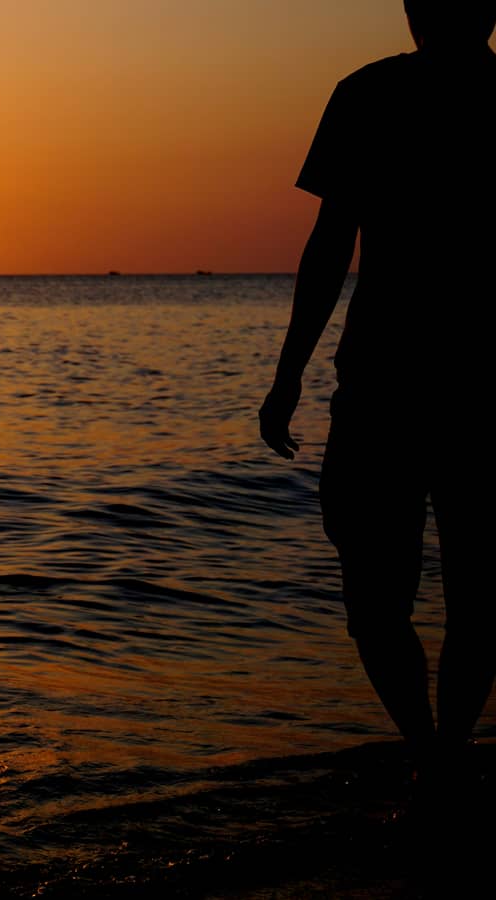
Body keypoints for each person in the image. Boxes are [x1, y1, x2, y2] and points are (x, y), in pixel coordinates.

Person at [259, 1, 496, 786]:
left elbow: (332, 242)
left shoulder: (367, 92)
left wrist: (290, 372)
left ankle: (435, 754)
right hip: (418, 385)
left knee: (385, 594)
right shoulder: (368, 92)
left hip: (400, 384)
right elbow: (332, 241)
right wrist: (291, 371)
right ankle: (443, 755)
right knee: (464, 594)